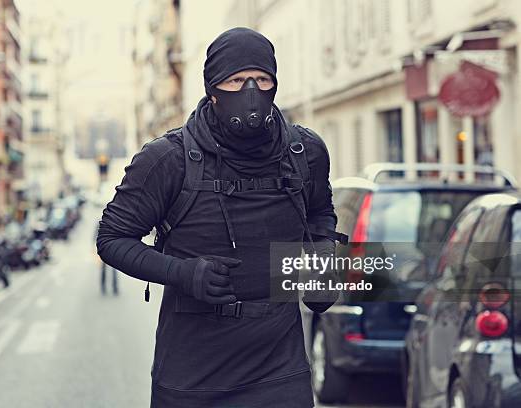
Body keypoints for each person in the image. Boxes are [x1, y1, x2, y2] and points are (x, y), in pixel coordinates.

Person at [97, 27, 343, 408]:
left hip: (280, 367)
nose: (251, 93)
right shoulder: (168, 158)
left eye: (262, 79)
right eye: (235, 80)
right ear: (212, 88)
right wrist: (182, 273)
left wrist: (322, 261)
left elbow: (319, 214)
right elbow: (112, 238)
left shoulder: (305, 151)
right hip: (193, 372)